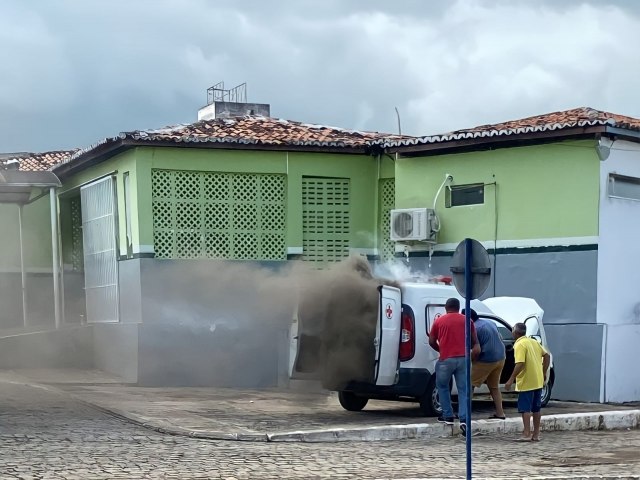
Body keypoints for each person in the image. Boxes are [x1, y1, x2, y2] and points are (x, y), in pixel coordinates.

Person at [429, 298, 479, 436]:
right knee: (464, 390)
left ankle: (448, 416)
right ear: (458, 307)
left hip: (446, 359)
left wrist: (441, 350)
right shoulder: (467, 320)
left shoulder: (439, 321)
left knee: (443, 387)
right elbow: (475, 340)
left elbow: (431, 341)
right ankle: (464, 419)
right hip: (464, 359)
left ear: (446, 307)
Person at [505, 322, 551, 442]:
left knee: (525, 408)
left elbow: (520, 363)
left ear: (515, 332)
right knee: (536, 409)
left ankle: (526, 433)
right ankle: (536, 435)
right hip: (537, 380)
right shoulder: (534, 341)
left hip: (526, 381)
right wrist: (543, 371)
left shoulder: (519, 344)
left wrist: (510, 379)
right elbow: (547, 356)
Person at [462, 308, 506, 420]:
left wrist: (469, 360)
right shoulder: (489, 322)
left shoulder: (474, 328)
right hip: (501, 358)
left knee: (469, 385)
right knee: (494, 387)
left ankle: (465, 414)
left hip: (487, 359)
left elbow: (477, 351)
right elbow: (500, 338)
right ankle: (500, 413)